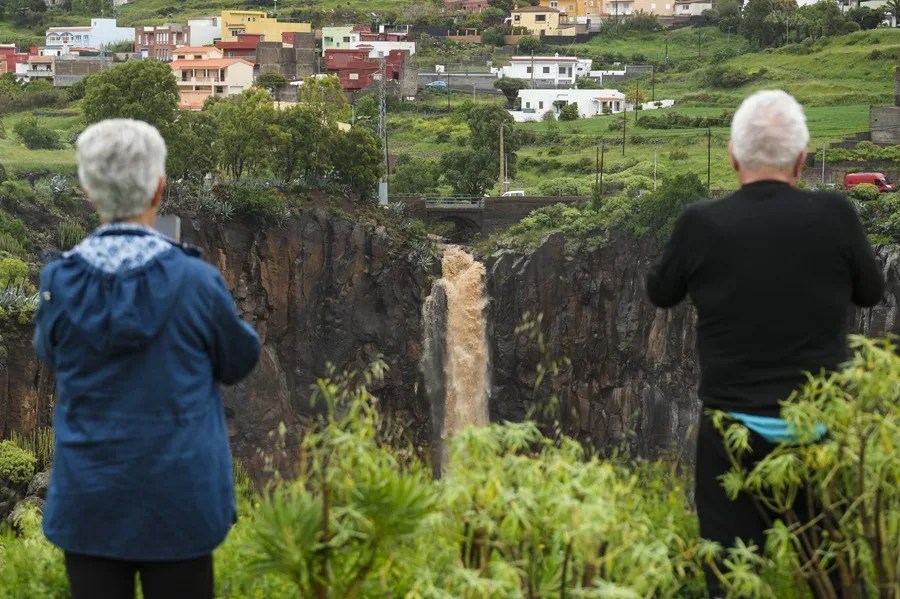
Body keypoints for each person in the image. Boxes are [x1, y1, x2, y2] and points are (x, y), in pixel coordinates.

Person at [645, 90, 883, 597]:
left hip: (731, 432)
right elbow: (871, 291)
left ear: (733, 157)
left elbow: (660, 293)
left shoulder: (701, 223)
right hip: (820, 429)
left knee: (731, 578)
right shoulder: (837, 216)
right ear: (802, 159)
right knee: (835, 578)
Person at [33, 119, 261, 599]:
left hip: (90, 501)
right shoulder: (196, 282)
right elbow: (239, 359)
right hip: (181, 501)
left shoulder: (60, 283)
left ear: (88, 191)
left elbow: (50, 354)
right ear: (159, 189)